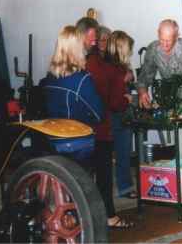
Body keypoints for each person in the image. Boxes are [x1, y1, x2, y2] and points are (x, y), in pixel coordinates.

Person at [77, 19, 135, 229]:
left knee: (90, 173)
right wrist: (126, 99)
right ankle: (108, 216)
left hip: (82, 127)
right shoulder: (107, 68)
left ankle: (86, 215)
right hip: (101, 127)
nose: (97, 42)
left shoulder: (86, 63)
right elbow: (114, 102)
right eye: (95, 39)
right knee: (103, 175)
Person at [40, 25, 103, 126]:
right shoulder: (82, 79)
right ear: (77, 48)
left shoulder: (50, 76)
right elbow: (98, 115)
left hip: (54, 137)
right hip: (76, 137)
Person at [136, 19, 182, 108]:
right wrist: (142, 91)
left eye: (168, 40)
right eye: (162, 39)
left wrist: (177, 105)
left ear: (176, 37)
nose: (165, 44)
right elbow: (145, 74)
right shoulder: (153, 49)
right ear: (158, 34)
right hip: (170, 87)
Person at [105, 30, 136, 199]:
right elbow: (116, 101)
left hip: (108, 116)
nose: (130, 53)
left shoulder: (109, 66)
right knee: (123, 153)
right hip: (118, 115)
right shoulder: (117, 70)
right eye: (128, 50)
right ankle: (125, 188)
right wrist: (128, 99)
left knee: (114, 155)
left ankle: (119, 188)